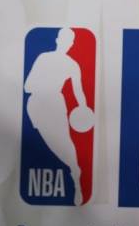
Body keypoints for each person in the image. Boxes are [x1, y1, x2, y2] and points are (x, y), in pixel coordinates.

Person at [24, 28, 90, 205]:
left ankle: (75, 175)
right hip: (35, 105)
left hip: (55, 104)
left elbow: (79, 91)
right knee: (47, 143)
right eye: (64, 39)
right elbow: (27, 86)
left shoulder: (72, 65)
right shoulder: (43, 58)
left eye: (70, 41)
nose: (67, 43)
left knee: (63, 142)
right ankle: (73, 169)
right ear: (58, 40)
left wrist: (83, 108)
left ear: (71, 44)